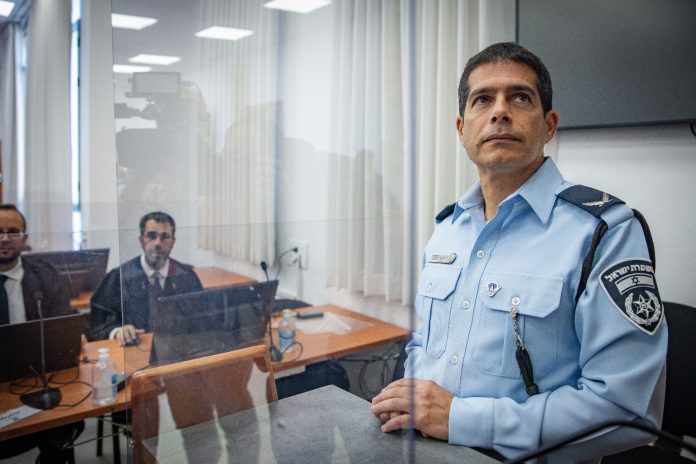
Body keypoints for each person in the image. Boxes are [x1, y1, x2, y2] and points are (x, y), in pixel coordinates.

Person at [370, 42, 667, 462]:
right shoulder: (447, 230)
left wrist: (461, 419)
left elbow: (625, 410)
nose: (500, 111)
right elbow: (424, 344)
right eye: (483, 99)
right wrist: (410, 400)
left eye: (520, 97)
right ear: (461, 129)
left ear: (549, 125)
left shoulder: (604, 232)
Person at [0, 204, 83, 463]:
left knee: (67, 422)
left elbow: (63, 330)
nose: (4, 238)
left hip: (40, 378)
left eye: (13, 232)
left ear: (25, 238)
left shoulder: (45, 276)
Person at [89, 211, 202, 344]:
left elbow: (201, 321)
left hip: (177, 349)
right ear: (141, 240)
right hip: (134, 349)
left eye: (165, 237)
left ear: (173, 242)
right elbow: (98, 322)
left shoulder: (186, 276)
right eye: (151, 236)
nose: (158, 243)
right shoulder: (119, 277)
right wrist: (118, 331)